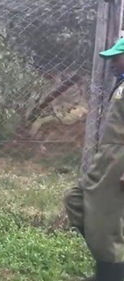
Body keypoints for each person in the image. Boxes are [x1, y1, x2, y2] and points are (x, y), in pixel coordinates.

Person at [64, 38, 124, 281]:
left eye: (116, 57)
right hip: (107, 159)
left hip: (120, 161)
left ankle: (109, 276)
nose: (110, 62)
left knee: (106, 225)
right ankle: (107, 271)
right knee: (75, 200)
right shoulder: (121, 84)